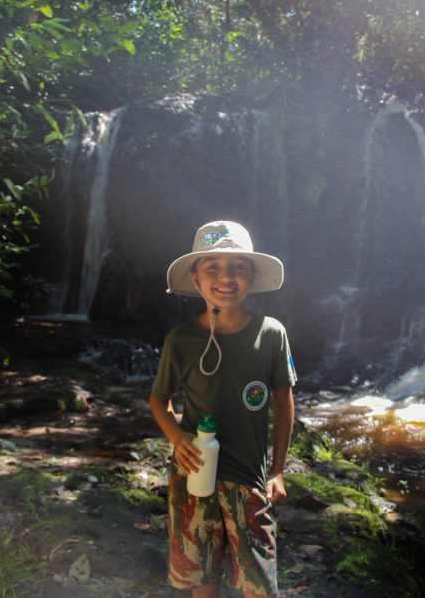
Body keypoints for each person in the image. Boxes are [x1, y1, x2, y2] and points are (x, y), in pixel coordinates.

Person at [149, 220, 297, 597]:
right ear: (195, 277)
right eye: (212, 266)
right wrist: (177, 437)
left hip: (249, 478)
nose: (225, 277)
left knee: (259, 583)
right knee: (203, 579)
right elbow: (158, 400)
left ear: (252, 276)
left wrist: (278, 470)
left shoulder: (271, 334)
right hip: (194, 477)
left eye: (238, 266)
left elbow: (284, 403)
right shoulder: (181, 340)